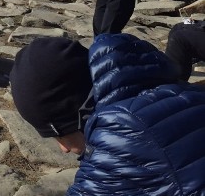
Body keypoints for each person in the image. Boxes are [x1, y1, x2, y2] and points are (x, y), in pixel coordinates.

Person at [10, 34, 205, 195]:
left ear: (82, 114)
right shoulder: (180, 91)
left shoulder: (121, 138)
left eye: (59, 133)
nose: (64, 149)